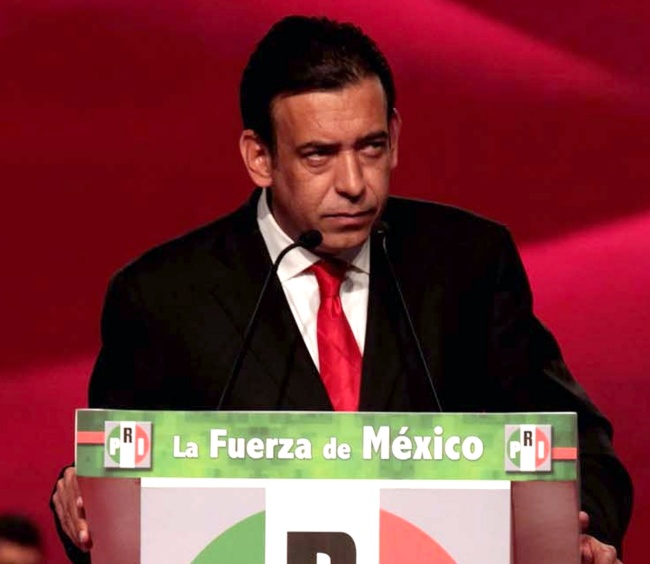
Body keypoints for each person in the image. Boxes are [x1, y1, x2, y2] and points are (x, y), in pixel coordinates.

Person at [52, 15, 632, 563]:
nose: (354, 184)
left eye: (371, 147)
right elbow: (113, 492)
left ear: (395, 136)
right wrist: (80, 503)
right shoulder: (163, 298)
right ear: (259, 157)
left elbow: (576, 444)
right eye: (319, 155)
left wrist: (583, 533)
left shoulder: (467, 264)